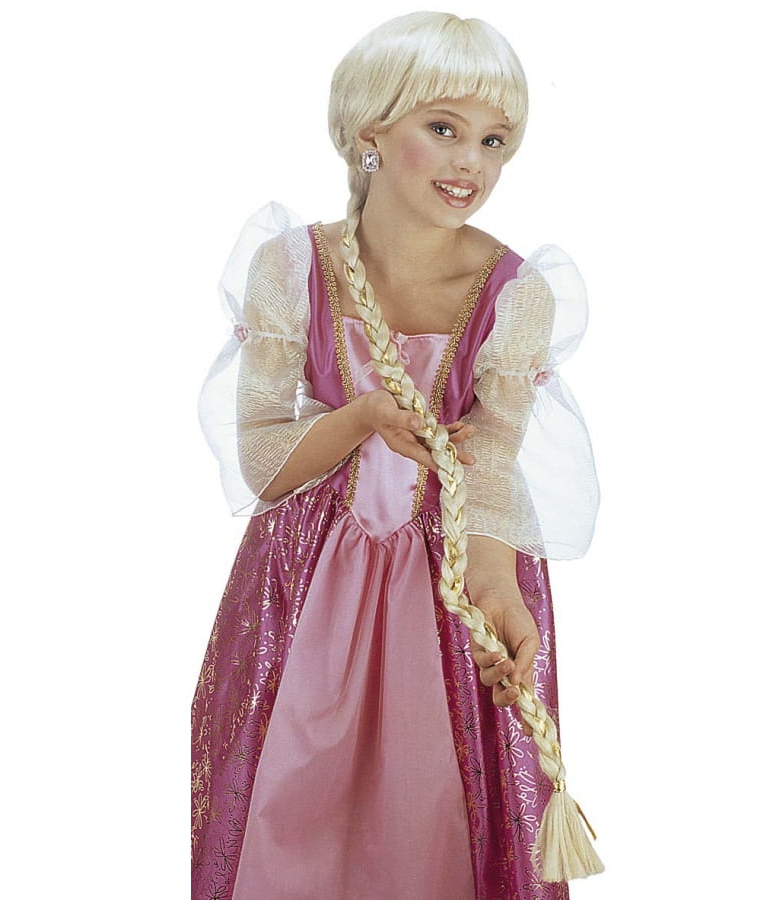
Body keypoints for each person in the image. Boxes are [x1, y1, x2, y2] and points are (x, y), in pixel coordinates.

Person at [192, 11, 600, 900]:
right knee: (291, 803)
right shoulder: (290, 268)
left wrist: (496, 588)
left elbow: (492, 461)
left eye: (494, 140)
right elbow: (263, 462)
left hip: (448, 583)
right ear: (369, 133)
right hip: (305, 586)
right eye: (444, 128)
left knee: (432, 811)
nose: (472, 163)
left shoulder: (514, 294)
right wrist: (365, 416)